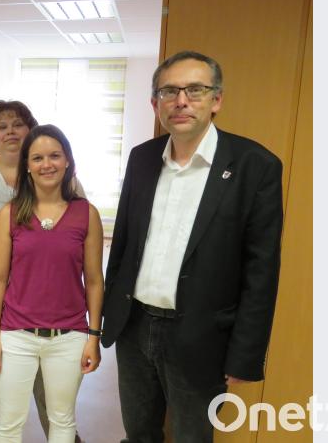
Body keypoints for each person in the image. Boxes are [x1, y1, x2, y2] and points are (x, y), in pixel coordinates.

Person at [101, 50, 284, 442]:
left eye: (195, 90)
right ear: (155, 104)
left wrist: (245, 354)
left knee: (192, 437)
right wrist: (108, 316)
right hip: (135, 329)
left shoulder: (255, 166)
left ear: (216, 100)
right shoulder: (142, 159)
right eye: (169, 91)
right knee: (139, 434)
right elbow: (124, 246)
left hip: (202, 337)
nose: (181, 100)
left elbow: (261, 271)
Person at [0, 100, 82, 443]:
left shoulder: (56, 179)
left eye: (18, 124)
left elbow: (79, 242)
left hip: (47, 318)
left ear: (31, 132)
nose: (10, 131)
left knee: (54, 407)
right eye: (1, 126)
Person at [0, 124, 104, 443]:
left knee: (62, 419)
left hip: (69, 336)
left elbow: (94, 280)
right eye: (37, 158)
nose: (46, 164)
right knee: (9, 422)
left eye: (54, 156)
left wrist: (93, 336)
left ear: (67, 161)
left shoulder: (86, 214)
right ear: (27, 165)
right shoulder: (10, 214)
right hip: (16, 335)